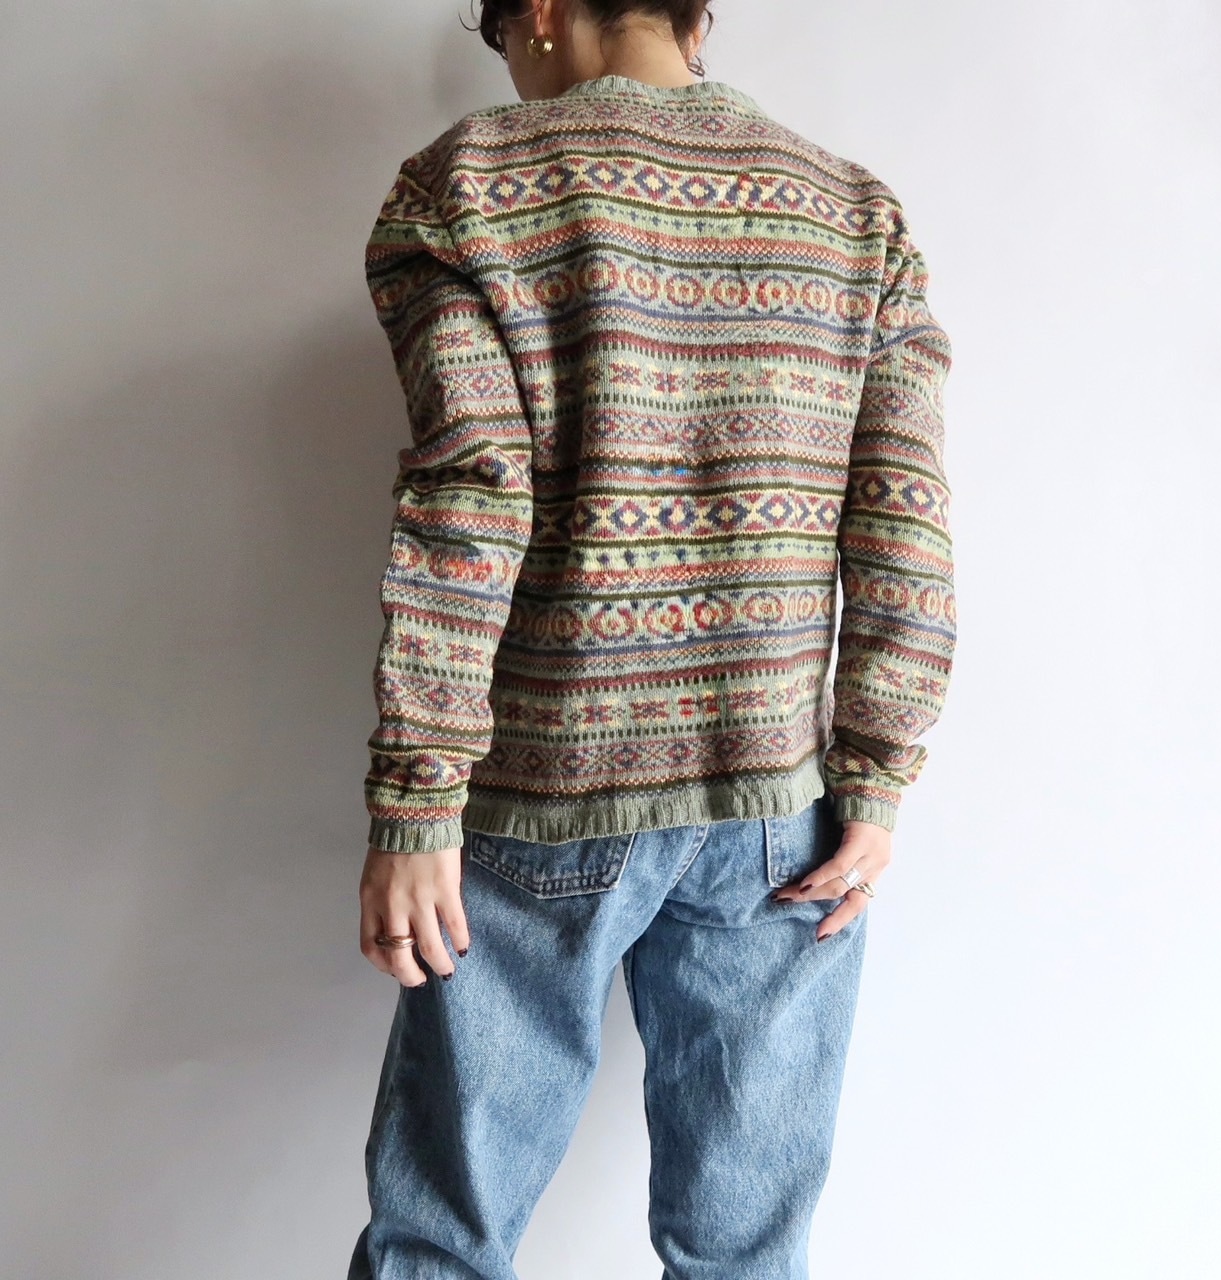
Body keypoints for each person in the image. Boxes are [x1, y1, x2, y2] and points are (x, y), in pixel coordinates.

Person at [347, 0, 957, 1275]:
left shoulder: (467, 189)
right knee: (744, 1249)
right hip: (778, 809)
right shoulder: (856, 217)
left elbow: (468, 499)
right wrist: (876, 775)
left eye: (502, 40)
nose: (514, 73)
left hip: (542, 795)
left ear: (541, 11)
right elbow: (900, 515)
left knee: (444, 1238)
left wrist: (416, 797)